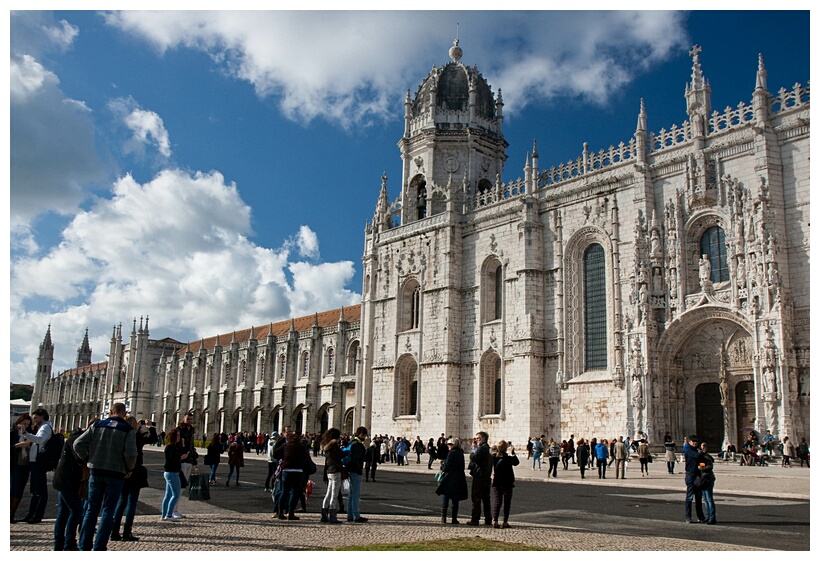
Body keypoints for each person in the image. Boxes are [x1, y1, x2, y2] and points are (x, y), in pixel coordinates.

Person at [73, 403, 138, 550]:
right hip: (116, 474)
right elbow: (131, 454)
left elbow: (78, 443)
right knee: (108, 511)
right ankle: (99, 547)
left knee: (91, 509)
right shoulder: (128, 429)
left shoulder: (97, 425)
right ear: (124, 413)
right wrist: (129, 468)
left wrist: (87, 458)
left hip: (96, 472)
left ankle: (84, 546)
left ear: (111, 412)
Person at [111, 417, 157, 542]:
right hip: (134, 471)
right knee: (131, 503)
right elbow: (154, 438)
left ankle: (114, 531)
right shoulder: (136, 437)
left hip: (122, 471)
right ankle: (127, 532)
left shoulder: (120, 434)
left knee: (121, 502)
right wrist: (150, 427)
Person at [52, 420, 93, 550]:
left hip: (63, 479)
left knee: (63, 512)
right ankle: (69, 543)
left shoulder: (74, 439)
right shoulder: (78, 441)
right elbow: (81, 458)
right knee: (76, 511)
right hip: (67, 480)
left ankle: (59, 543)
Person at [18, 407, 54, 524]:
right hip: (35, 460)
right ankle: (31, 514)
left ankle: (37, 515)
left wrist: (25, 433)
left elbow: (39, 439)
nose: (34, 420)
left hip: (38, 462)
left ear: (42, 417)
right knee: (35, 489)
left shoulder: (45, 427)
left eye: (36, 418)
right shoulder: (42, 427)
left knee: (39, 490)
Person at [275, 430, 310, 520]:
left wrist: (283, 457)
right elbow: (306, 458)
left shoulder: (285, 446)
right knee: (294, 493)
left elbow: (275, 453)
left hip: (286, 470)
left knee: (284, 492)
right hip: (298, 471)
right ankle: (291, 513)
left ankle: (280, 512)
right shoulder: (302, 447)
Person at [435, 437, 468, 524]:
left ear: (454, 445)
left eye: (450, 444)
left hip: (449, 478)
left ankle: (443, 518)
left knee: (445, 497)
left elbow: (446, 467)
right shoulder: (461, 453)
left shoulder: (451, 453)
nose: (448, 446)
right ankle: (454, 518)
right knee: (455, 499)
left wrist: (442, 466)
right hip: (458, 478)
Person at [160, 427, 189, 521]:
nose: (179, 437)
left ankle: (164, 515)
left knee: (168, 495)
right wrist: (181, 457)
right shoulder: (170, 447)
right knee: (175, 494)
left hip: (170, 472)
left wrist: (183, 446)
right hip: (172, 472)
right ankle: (169, 515)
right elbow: (172, 460)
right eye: (178, 436)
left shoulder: (172, 446)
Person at [466, 431, 492, 526]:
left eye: (478, 438)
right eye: (476, 438)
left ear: (484, 438)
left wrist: (473, 451)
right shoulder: (487, 448)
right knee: (486, 499)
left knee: (476, 498)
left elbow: (474, 458)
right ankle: (488, 519)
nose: (476, 440)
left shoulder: (482, 449)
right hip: (486, 477)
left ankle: (475, 519)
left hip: (479, 477)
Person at [491, 440, 519, 528]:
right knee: (507, 502)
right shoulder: (508, 458)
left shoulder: (494, 458)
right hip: (507, 482)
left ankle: (495, 521)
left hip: (497, 482)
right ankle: (505, 522)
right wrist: (513, 452)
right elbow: (516, 462)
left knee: (497, 502)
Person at [10, 413, 33, 523]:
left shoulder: (29, 434)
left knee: (19, 490)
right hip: (15, 464)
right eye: (24, 424)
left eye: (28, 424)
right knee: (13, 489)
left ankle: (12, 513)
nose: (25, 426)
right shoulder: (12, 433)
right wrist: (18, 445)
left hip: (25, 464)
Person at [320, 428, 343, 524]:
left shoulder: (326, 447)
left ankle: (324, 515)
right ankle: (332, 516)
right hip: (335, 471)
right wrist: (344, 451)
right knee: (334, 494)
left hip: (329, 471)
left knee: (328, 494)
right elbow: (340, 455)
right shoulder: (334, 445)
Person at [175, 412, 197, 518]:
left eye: (191, 419)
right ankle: (173, 510)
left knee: (183, 486)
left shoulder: (191, 430)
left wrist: (195, 462)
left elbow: (191, 446)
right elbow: (173, 443)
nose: (189, 421)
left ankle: (175, 509)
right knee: (178, 486)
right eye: (188, 419)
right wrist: (180, 454)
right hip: (181, 461)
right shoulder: (179, 430)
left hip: (189, 460)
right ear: (183, 419)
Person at [346, 426, 369, 523]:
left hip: (352, 470)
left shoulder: (352, 442)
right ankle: (356, 515)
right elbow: (356, 459)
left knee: (351, 494)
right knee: (355, 494)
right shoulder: (356, 444)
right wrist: (359, 470)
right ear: (360, 434)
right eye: (363, 435)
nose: (364, 437)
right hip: (355, 471)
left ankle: (350, 515)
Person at [683, 434, 706, 524]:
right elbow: (696, 456)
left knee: (698, 497)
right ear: (689, 442)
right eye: (693, 441)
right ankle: (688, 516)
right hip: (690, 475)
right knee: (689, 497)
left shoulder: (695, 450)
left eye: (696, 441)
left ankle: (700, 516)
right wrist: (702, 452)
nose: (695, 443)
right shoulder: (688, 450)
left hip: (697, 475)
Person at [697, 443, 717, 525]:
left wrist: (701, 468)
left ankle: (712, 517)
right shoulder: (700, 457)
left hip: (708, 479)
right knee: (705, 499)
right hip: (703, 479)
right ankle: (708, 516)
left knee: (709, 499)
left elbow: (710, 466)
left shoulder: (706, 457)